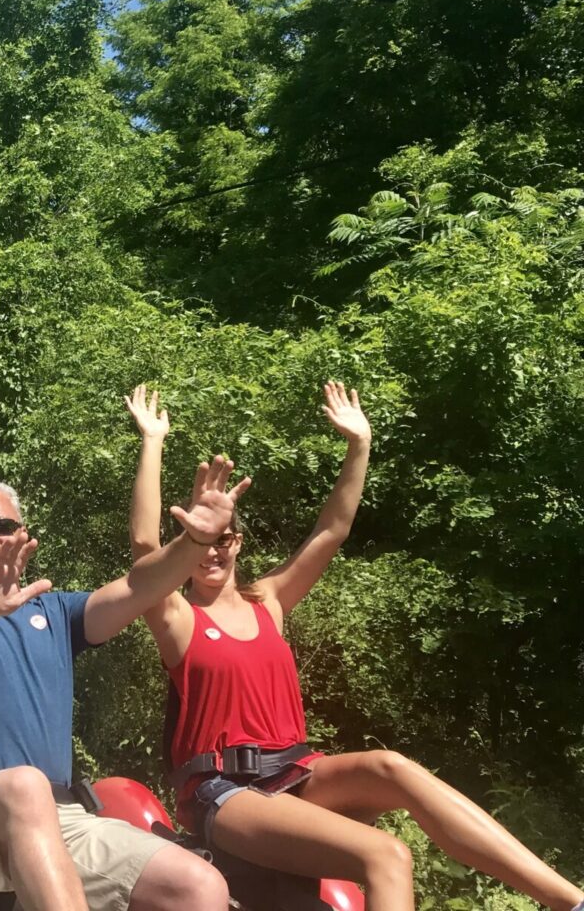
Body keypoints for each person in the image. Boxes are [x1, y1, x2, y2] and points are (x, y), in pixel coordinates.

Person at [125, 383, 584, 911]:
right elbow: (144, 548)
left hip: (296, 772)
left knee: (391, 767)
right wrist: (153, 440)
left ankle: (566, 901)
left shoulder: (267, 603)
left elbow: (332, 529)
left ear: (239, 542)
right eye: (201, 538)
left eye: (224, 537)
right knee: (387, 854)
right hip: (224, 791)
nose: (213, 550)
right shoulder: (178, 615)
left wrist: (360, 445)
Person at [0, 457, 253, 911]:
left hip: (58, 814)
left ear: (22, 533)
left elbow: (137, 587)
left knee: (199, 886)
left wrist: (194, 543)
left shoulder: (57, 614)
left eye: (3, 524)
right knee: (24, 786)